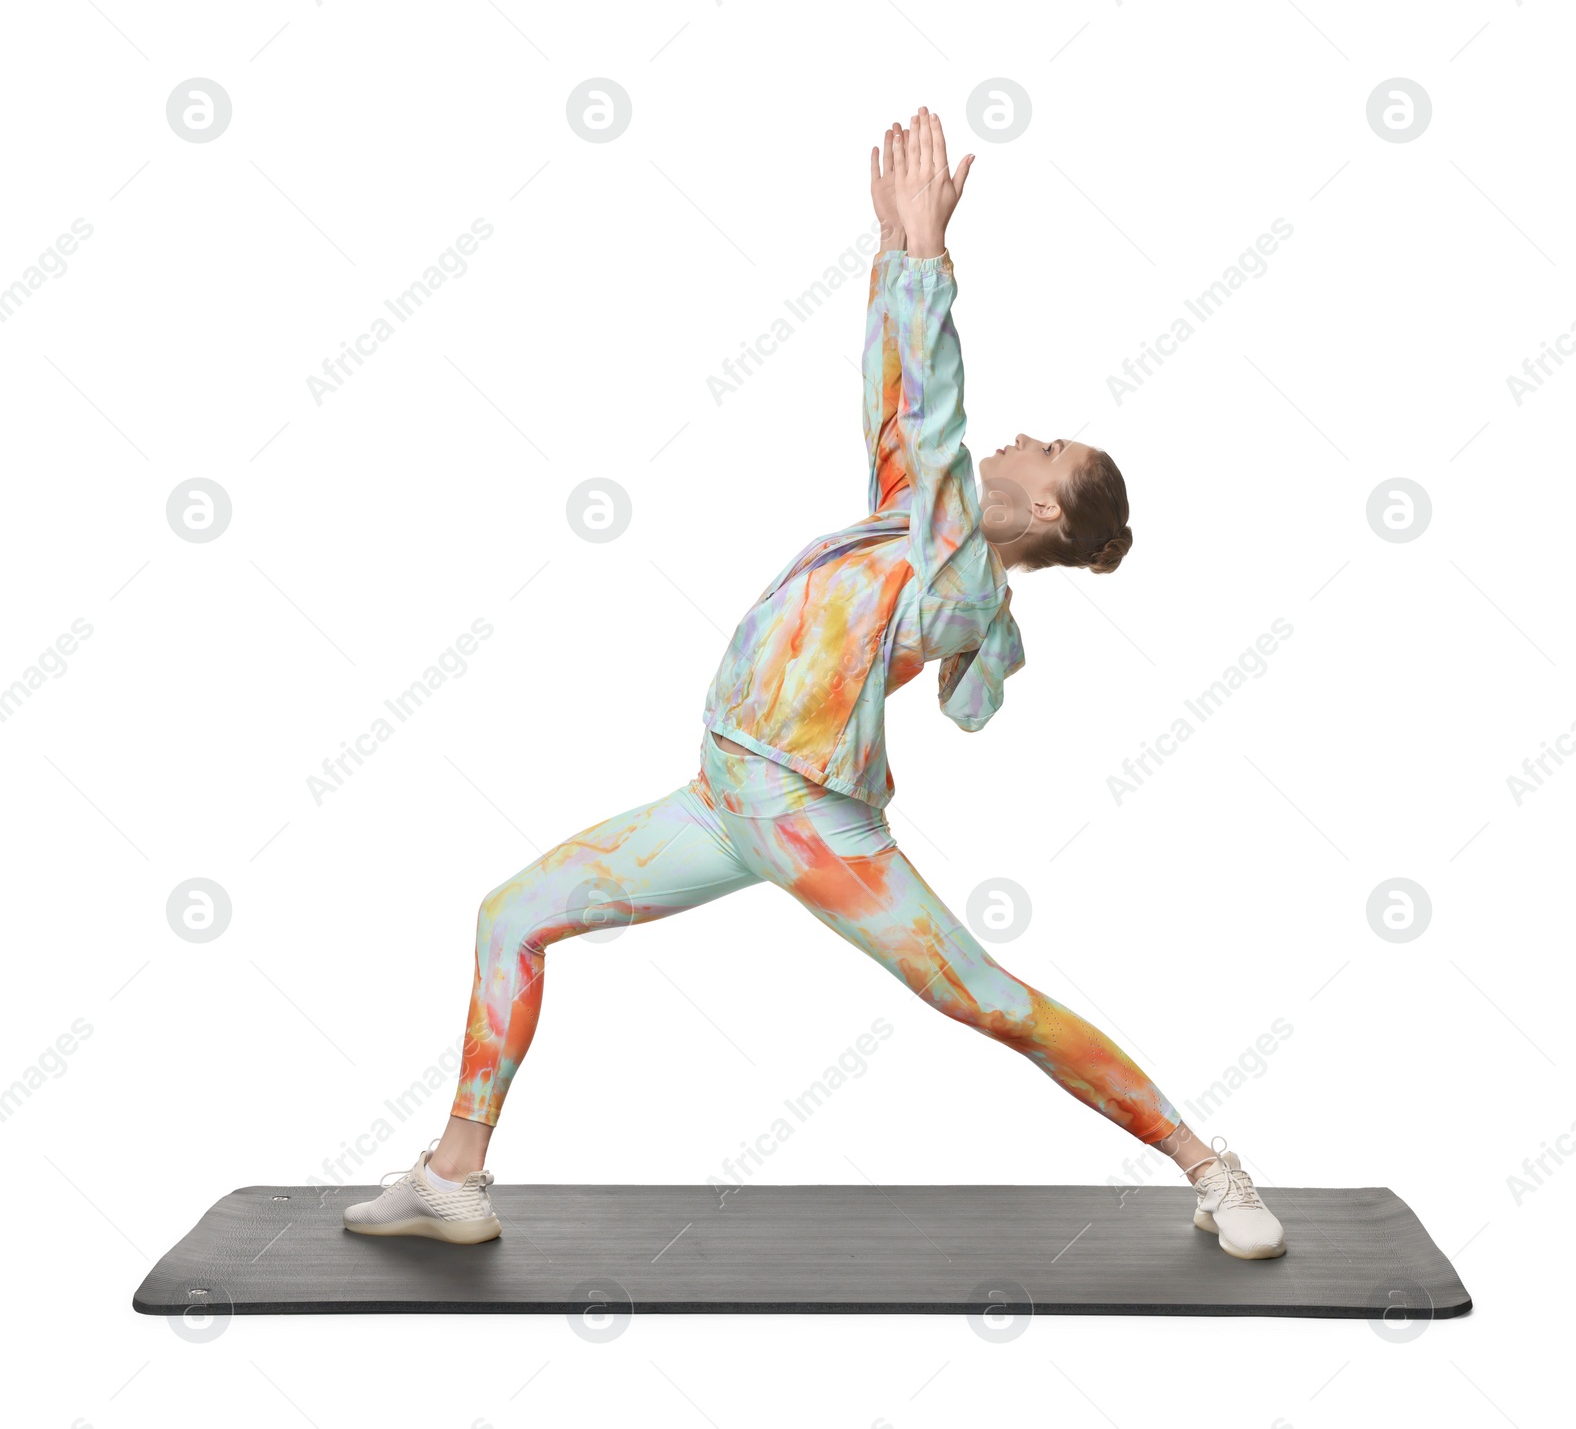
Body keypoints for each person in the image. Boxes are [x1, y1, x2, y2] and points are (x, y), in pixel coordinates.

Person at [344, 108, 1287, 1262]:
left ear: (1045, 510)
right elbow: (896, 399)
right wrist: (891, 254)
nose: (1015, 441)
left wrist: (932, 264)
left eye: (1039, 449)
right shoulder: (911, 518)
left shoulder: (962, 581)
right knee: (511, 919)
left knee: (985, 998)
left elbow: (936, 422)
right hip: (721, 799)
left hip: (809, 821)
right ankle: (455, 1177)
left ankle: (1209, 1165)